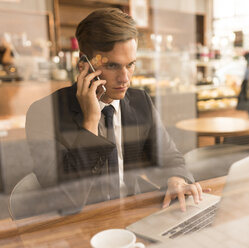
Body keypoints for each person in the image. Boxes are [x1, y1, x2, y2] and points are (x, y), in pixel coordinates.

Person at [25, 8, 206, 214]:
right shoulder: (43, 114)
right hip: (78, 223)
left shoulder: (140, 102)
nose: (125, 78)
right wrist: (91, 122)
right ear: (84, 65)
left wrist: (177, 180)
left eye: (130, 65)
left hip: (130, 214)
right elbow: (66, 201)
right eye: (112, 66)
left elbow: (170, 158)